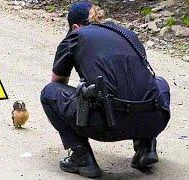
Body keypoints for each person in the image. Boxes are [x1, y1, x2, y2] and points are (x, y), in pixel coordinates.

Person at [40, 1, 171, 178]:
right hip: (153, 120)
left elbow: (58, 82)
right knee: (160, 83)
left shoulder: (77, 35)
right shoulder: (128, 34)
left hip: (107, 123)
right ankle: (146, 147)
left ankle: (81, 157)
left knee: (49, 93)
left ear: (75, 26)